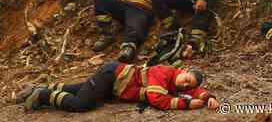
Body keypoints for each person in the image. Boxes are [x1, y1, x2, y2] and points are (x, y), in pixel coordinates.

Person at [16, 61, 220, 112]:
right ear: (182, 69)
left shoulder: (177, 83)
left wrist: (206, 97)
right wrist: (185, 105)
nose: (184, 85)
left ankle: (37, 87)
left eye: (188, 85)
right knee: (82, 104)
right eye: (186, 79)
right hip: (112, 77)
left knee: (79, 88)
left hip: (115, 82)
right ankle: (42, 95)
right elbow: (155, 99)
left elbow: (193, 90)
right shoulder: (165, 72)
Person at [93, 0, 161, 62]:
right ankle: (106, 35)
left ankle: (128, 48)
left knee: (134, 23)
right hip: (123, 5)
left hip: (140, 8)